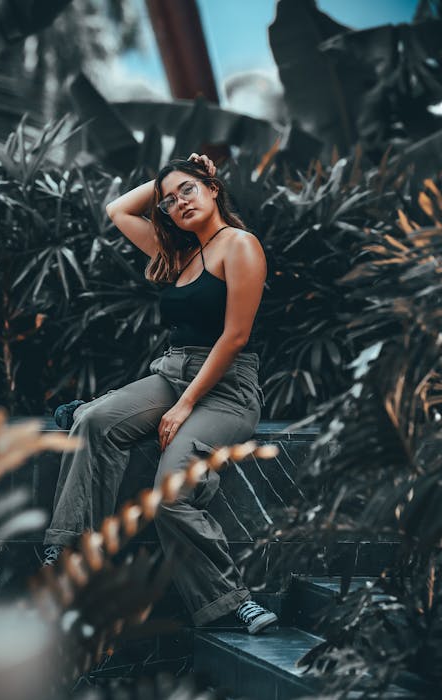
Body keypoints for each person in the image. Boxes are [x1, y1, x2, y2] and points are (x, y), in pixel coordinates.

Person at [41, 153, 277, 635]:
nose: (177, 203)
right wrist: (169, 181)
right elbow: (118, 211)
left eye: (188, 190)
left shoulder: (241, 245)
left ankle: (232, 601)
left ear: (213, 187)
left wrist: (186, 404)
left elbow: (235, 337)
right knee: (95, 422)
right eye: (168, 200)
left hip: (226, 389)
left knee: (171, 494)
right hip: (171, 372)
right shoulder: (179, 253)